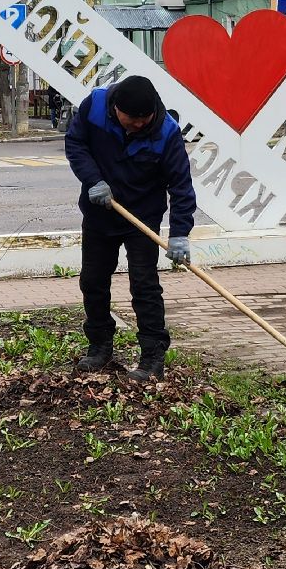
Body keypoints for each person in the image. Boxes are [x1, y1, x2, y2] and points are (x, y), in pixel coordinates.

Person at [64, 74, 196, 381]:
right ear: (116, 109)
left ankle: (152, 357)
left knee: (144, 286)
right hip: (100, 212)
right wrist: (93, 179)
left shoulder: (166, 132)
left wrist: (180, 233)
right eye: (131, 119)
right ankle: (99, 347)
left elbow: (181, 186)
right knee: (93, 282)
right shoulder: (95, 107)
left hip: (142, 219)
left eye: (143, 119)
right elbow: (75, 143)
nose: (138, 124)